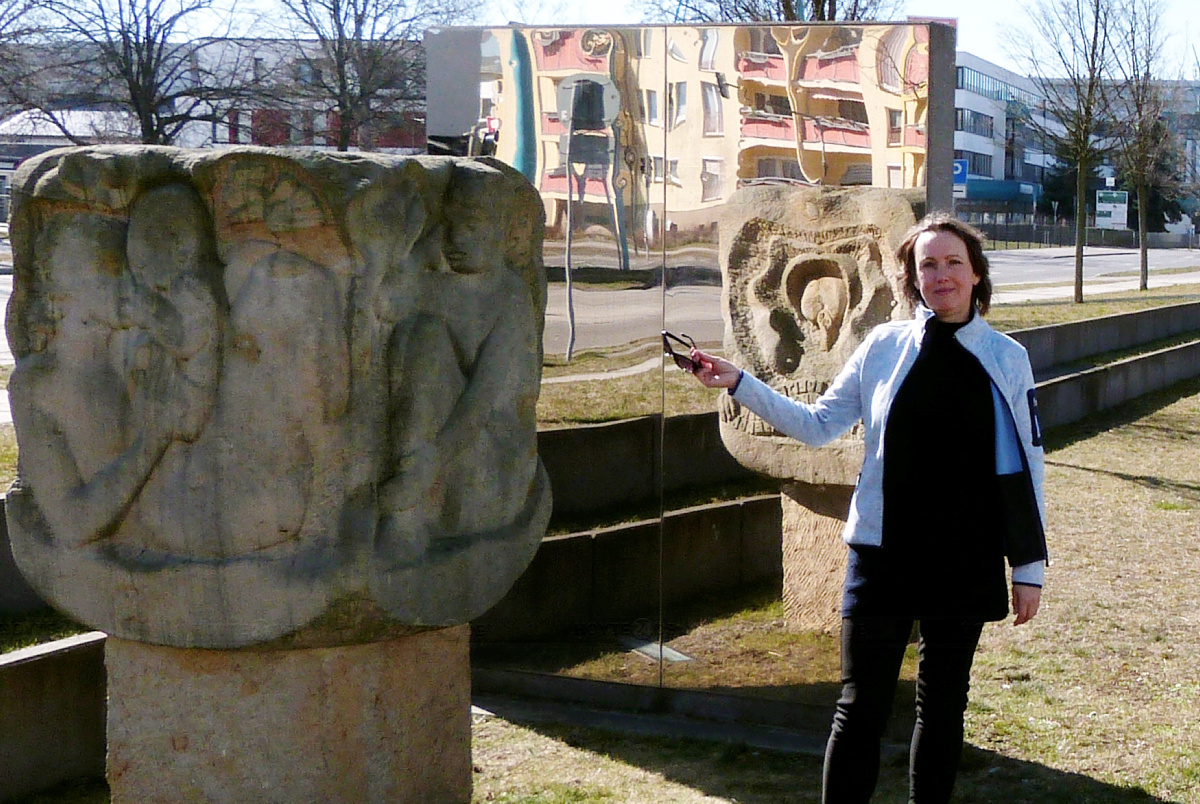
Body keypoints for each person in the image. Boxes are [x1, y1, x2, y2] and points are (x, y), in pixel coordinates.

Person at [686, 213, 1048, 804]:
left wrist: (1028, 568)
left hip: (964, 557)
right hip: (882, 556)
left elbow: (1026, 464)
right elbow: (819, 425)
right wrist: (738, 382)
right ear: (912, 277)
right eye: (927, 264)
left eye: (954, 262)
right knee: (858, 709)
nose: (941, 275)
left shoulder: (1007, 358)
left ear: (977, 275)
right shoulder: (883, 346)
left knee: (942, 710)